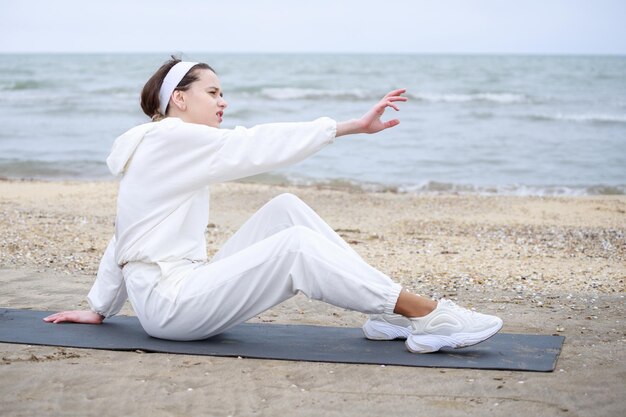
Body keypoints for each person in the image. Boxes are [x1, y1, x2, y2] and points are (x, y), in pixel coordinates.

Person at [44, 58, 503, 354]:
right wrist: (346, 127)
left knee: (285, 208)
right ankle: (425, 313)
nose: (223, 101)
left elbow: (123, 232)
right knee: (296, 247)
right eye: (213, 92)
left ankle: (384, 314)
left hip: (183, 288)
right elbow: (255, 144)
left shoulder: (160, 145)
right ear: (179, 99)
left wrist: (99, 307)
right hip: (172, 306)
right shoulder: (172, 137)